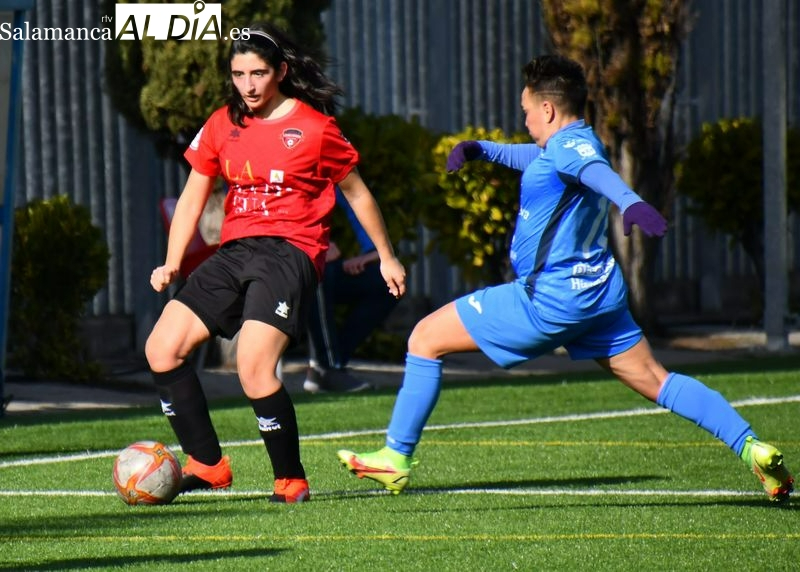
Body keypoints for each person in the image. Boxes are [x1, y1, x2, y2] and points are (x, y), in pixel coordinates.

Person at [336, 54, 793, 503]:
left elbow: (597, 175)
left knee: (423, 337)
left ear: (548, 109)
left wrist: (631, 202)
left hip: (549, 300)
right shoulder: (568, 143)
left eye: (527, 111)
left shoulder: (575, 152)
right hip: (599, 298)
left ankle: (395, 458)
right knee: (659, 380)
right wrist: (483, 151)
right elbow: (541, 160)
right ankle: (751, 446)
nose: (526, 120)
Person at [145, 23, 405, 504]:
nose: (247, 85)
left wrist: (386, 257)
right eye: (239, 73)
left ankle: (290, 479)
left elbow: (358, 194)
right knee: (162, 347)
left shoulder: (315, 128)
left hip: (290, 253)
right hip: (236, 251)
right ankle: (207, 463)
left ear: (281, 72)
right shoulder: (223, 123)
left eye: (258, 73)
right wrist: (171, 262)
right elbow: (192, 197)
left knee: (254, 367)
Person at [304, 187, 401, 393]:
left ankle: (328, 365)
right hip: (277, 266)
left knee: (385, 283)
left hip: (313, 258)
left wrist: (375, 251)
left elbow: (354, 197)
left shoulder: (328, 163)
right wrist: (312, 244)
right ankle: (328, 368)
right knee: (318, 270)